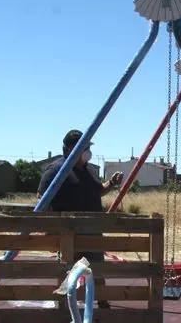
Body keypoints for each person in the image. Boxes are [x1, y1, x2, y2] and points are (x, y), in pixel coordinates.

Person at [37, 129, 124, 308]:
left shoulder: (87, 170)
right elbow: (41, 198)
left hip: (92, 231)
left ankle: (102, 301)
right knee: (69, 270)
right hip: (70, 232)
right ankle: (65, 306)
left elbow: (99, 190)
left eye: (88, 147)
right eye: (84, 147)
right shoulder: (56, 170)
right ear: (71, 148)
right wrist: (52, 226)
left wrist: (111, 184)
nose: (88, 151)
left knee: (97, 268)